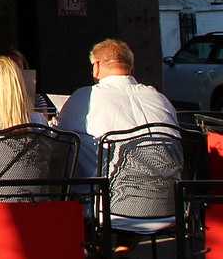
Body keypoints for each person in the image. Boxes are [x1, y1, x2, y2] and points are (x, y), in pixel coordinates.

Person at [57, 38, 181, 177]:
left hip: (109, 194)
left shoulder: (84, 97)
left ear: (96, 66)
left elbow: (59, 141)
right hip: (167, 194)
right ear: (131, 67)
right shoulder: (160, 98)